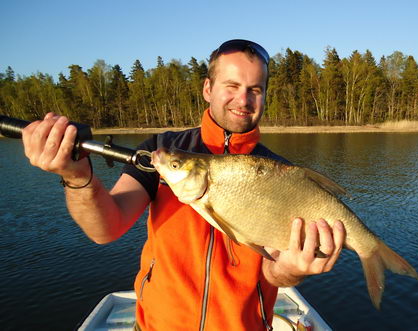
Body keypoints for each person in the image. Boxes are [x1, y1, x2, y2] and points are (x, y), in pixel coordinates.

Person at [21, 39, 346, 330]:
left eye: (255, 89)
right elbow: (106, 228)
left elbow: (273, 272)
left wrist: (292, 270)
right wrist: (78, 177)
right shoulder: (161, 150)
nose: (243, 99)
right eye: (231, 85)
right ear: (208, 88)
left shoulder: (281, 174)